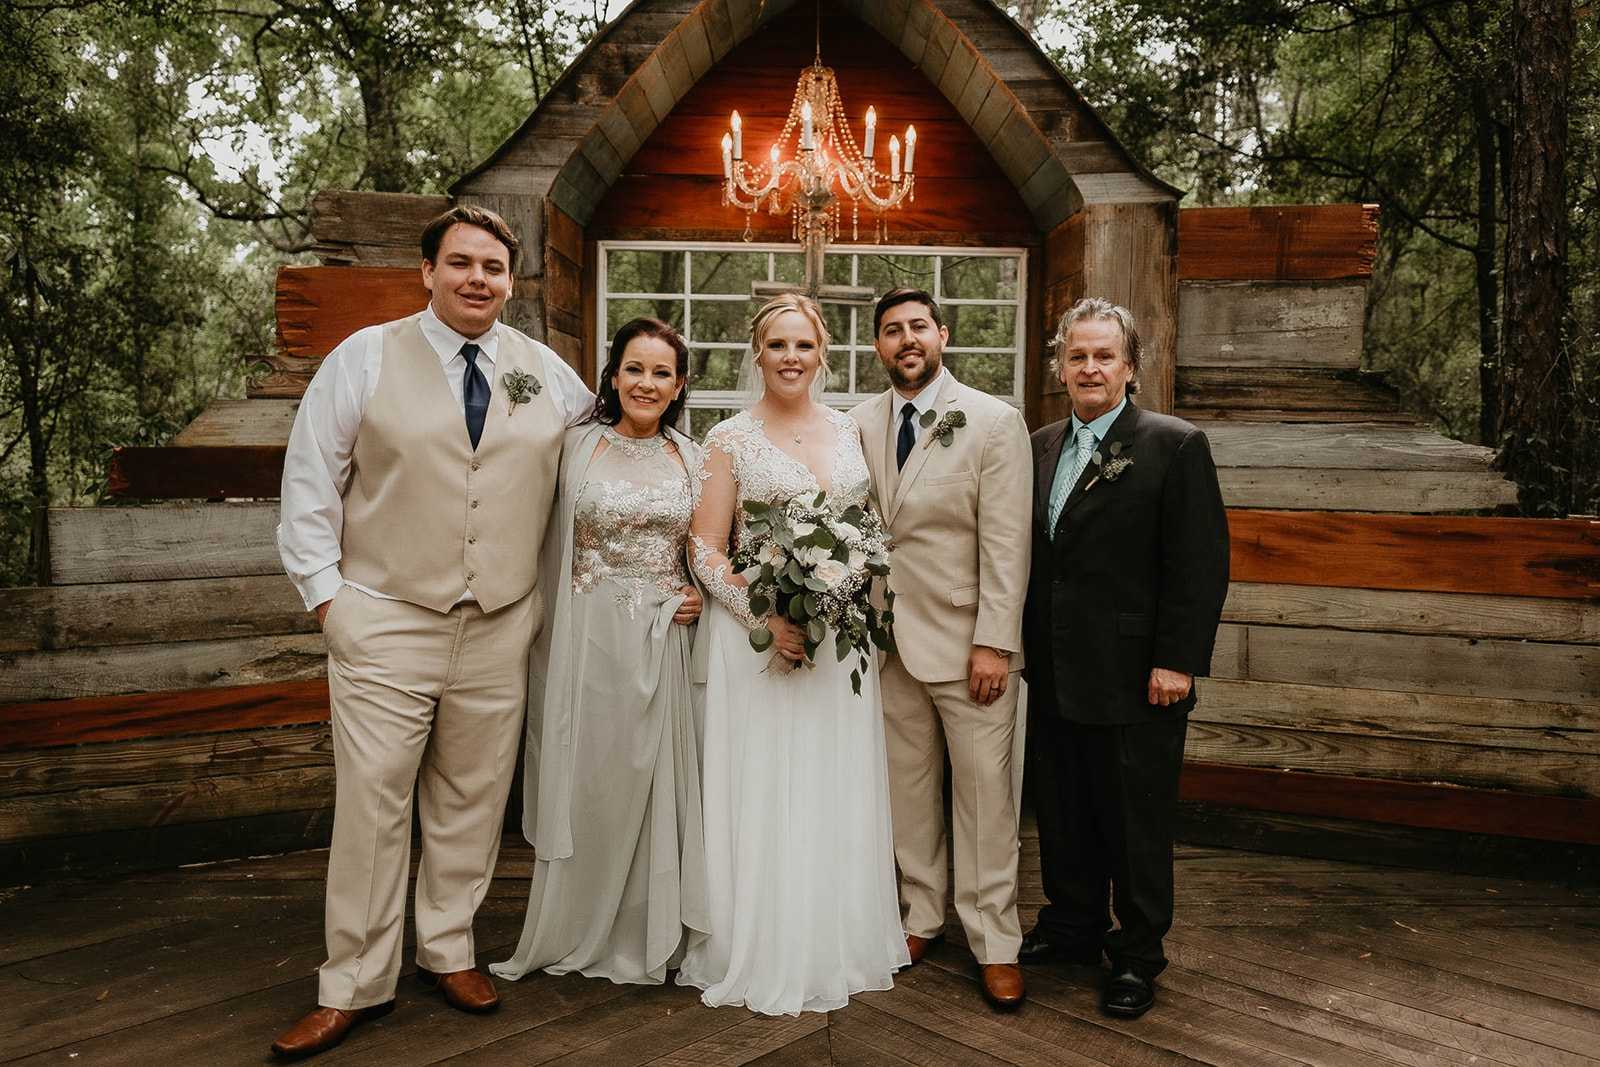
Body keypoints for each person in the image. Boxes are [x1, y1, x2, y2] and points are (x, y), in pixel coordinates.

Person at [273, 205, 595, 1058]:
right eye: (460, 262)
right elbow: (310, 480)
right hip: (384, 618)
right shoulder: (364, 357)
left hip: (499, 625)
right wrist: (331, 604)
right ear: (427, 271)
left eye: (493, 267)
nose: (476, 279)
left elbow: (604, 463)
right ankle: (351, 982)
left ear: (512, 282)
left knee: (472, 801)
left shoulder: (546, 373)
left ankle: (448, 948)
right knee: (374, 805)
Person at [676, 292, 910, 1015]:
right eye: (777, 344)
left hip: (839, 642)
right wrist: (766, 615)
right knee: (766, 785)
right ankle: (759, 940)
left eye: (803, 345)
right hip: (760, 642)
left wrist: (842, 591)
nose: (790, 357)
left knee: (830, 782)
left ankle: (831, 937)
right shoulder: (729, 439)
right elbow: (705, 547)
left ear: (822, 353)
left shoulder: (849, 430)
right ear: (757, 352)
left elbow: (864, 530)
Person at [1020, 297, 1230, 1019]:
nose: (1090, 368)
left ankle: (1137, 953)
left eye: (1104, 356)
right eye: (1077, 355)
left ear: (1130, 366)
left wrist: (1177, 660)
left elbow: (1199, 564)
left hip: (1139, 675)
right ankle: (1072, 925)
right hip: (1053, 667)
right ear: (1060, 366)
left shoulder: (1175, 444)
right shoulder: (1039, 444)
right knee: (1063, 810)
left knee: (1134, 823)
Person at [490, 317, 710, 987]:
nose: (647, 383)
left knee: (653, 779)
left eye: (662, 372)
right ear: (612, 377)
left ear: (679, 386)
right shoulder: (572, 447)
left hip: (664, 640)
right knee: (589, 777)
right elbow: (524, 523)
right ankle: (573, 923)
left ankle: (648, 929)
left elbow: (710, 545)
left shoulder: (693, 457)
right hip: (584, 636)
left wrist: (697, 591)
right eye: (634, 368)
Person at [849, 287, 1033, 1011]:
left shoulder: (992, 421)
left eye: (918, 326)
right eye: (892, 330)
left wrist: (995, 642)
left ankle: (995, 941)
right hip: (885, 642)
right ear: (877, 346)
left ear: (942, 334)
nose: (907, 339)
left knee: (986, 799)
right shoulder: (857, 423)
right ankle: (920, 914)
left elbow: (1007, 542)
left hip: (969, 648)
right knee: (908, 792)